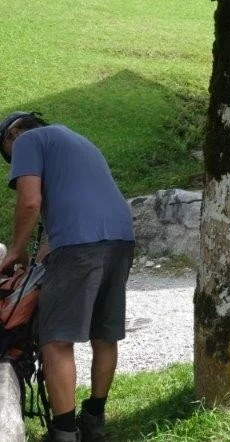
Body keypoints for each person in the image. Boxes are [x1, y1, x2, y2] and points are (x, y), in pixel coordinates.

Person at [0, 111, 136, 442]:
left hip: (80, 245)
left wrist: (15, 251)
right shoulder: (79, 142)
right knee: (104, 334)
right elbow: (79, 204)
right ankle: (93, 420)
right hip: (121, 238)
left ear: (14, 133)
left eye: (6, 154)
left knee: (56, 339)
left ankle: (63, 432)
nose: (12, 162)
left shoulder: (28, 140)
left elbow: (31, 202)